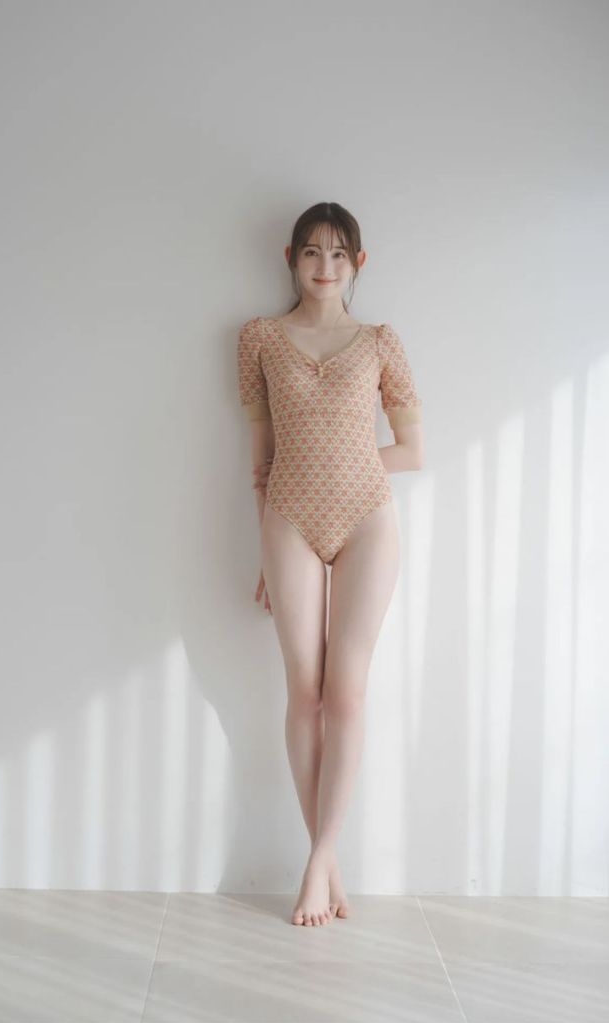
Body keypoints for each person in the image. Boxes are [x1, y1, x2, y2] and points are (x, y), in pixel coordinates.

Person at [237, 201, 424, 927]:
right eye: (312, 253)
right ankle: (328, 860)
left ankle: (320, 858)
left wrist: (344, 464)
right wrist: (263, 553)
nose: (324, 267)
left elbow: (413, 450)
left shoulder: (380, 341)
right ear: (291, 258)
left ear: (358, 264)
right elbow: (259, 466)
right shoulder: (258, 338)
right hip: (287, 522)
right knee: (304, 688)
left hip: (367, 523)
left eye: (339, 255)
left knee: (346, 692)